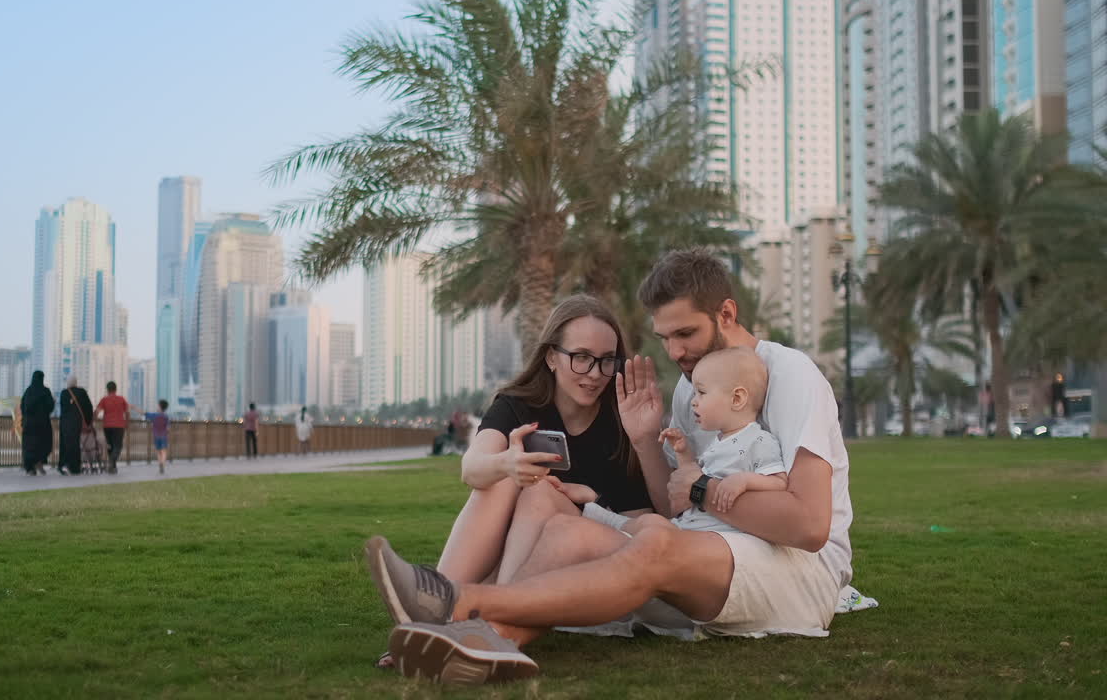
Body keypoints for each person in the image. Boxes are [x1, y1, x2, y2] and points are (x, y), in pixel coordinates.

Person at [366, 249, 855, 684]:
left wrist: (703, 490)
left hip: (799, 572)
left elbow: (810, 528)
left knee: (656, 540)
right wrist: (646, 441)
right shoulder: (691, 392)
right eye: (665, 338)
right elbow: (674, 508)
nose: (676, 352)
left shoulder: (788, 374)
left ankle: (457, 601)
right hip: (706, 560)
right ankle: (483, 640)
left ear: (726, 313)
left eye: (686, 333)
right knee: (567, 533)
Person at [370, 294, 653, 670]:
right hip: (525, 554)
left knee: (537, 492)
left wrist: (589, 501)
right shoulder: (518, 405)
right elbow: (472, 468)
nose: (594, 372)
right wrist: (508, 462)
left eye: (606, 360)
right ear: (552, 356)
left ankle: (456, 619)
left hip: (591, 565)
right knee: (506, 480)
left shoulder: (624, 418)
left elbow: (646, 523)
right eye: (581, 356)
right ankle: (442, 622)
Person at [597, 347, 786, 536]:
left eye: (701, 393)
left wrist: (744, 481)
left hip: (717, 534)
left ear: (737, 399)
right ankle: (599, 516)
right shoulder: (719, 442)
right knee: (650, 522)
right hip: (693, 525)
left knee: (651, 528)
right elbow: (693, 481)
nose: (693, 402)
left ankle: (600, 517)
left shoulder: (759, 440)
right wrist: (683, 453)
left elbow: (779, 482)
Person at [94, 381, 136, 474]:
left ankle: (113, 467)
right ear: (115, 389)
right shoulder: (121, 399)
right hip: (119, 426)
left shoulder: (104, 399)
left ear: (107, 390)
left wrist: (93, 420)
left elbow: (97, 412)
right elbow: (127, 412)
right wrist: (127, 423)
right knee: (118, 446)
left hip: (107, 426)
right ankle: (112, 462)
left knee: (110, 446)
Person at [18, 371, 55, 476]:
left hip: (29, 425)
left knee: (29, 446)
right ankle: (39, 463)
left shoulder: (28, 391)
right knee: (43, 445)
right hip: (43, 425)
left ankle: (30, 468)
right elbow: (50, 407)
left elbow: (23, 406)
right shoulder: (45, 391)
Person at [58, 375, 94, 475]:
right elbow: (88, 408)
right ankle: (75, 467)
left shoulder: (64, 393)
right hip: (77, 423)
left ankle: (64, 465)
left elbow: (63, 409)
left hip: (65, 423)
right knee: (75, 444)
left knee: (65, 444)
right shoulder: (82, 392)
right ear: (76, 382)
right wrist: (88, 422)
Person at [144, 400, 170, 474]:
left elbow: (145, 413)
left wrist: (135, 408)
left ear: (160, 407)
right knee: (164, 451)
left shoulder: (154, 415)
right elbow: (168, 428)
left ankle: (160, 464)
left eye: (158, 405)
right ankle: (163, 464)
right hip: (164, 435)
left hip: (156, 436)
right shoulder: (166, 416)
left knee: (158, 452)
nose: (157, 407)